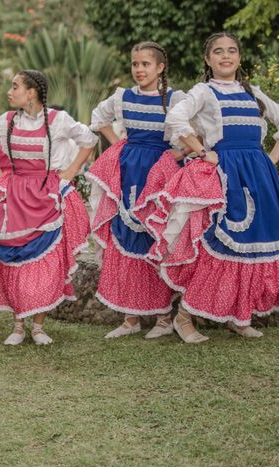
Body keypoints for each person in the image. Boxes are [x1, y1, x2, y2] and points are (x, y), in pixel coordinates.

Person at [148, 32, 279, 342]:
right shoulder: (204, 92)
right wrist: (202, 151)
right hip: (225, 175)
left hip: (260, 175)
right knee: (218, 244)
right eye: (218, 52)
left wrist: (271, 159)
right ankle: (183, 317)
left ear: (239, 57)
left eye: (231, 51)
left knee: (254, 244)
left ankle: (240, 315)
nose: (225, 56)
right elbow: (176, 118)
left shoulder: (255, 93)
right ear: (208, 59)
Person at [0, 69, 97, 345]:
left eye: (15, 86)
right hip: (16, 194)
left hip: (46, 193)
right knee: (14, 256)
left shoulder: (58, 120)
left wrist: (71, 171)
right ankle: (18, 325)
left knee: (46, 260)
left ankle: (39, 326)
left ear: (31, 92)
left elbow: (89, 140)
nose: (10, 91)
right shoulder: (6, 121)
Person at [86, 42, 186, 339]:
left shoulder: (174, 98)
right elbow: (98, 118)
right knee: (126, 236)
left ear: (160, 67)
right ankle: (130, 318)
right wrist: (118, 142)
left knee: (157, 237)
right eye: (135, 64)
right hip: (128, 171)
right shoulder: (123, 97)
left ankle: (164, 318)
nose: (139, 69)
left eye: (145, 64)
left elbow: (191, 133)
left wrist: (173, 156)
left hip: (160, 173)